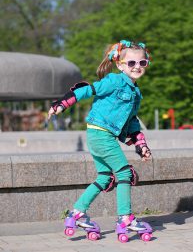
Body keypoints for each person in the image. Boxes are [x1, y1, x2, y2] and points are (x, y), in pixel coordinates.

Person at [48, 40, 153, 242]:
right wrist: (63, 103)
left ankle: (77, 214)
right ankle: (125, 218)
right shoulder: (114, 81)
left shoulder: (136, 93)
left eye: (142, 63)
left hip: (99, 135)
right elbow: (88, 89)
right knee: (124, 173)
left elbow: (131, 122)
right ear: (121, 65)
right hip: (101, 133)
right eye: (131, 63)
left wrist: (141, 145)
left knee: (105, 176)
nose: (137, 67)